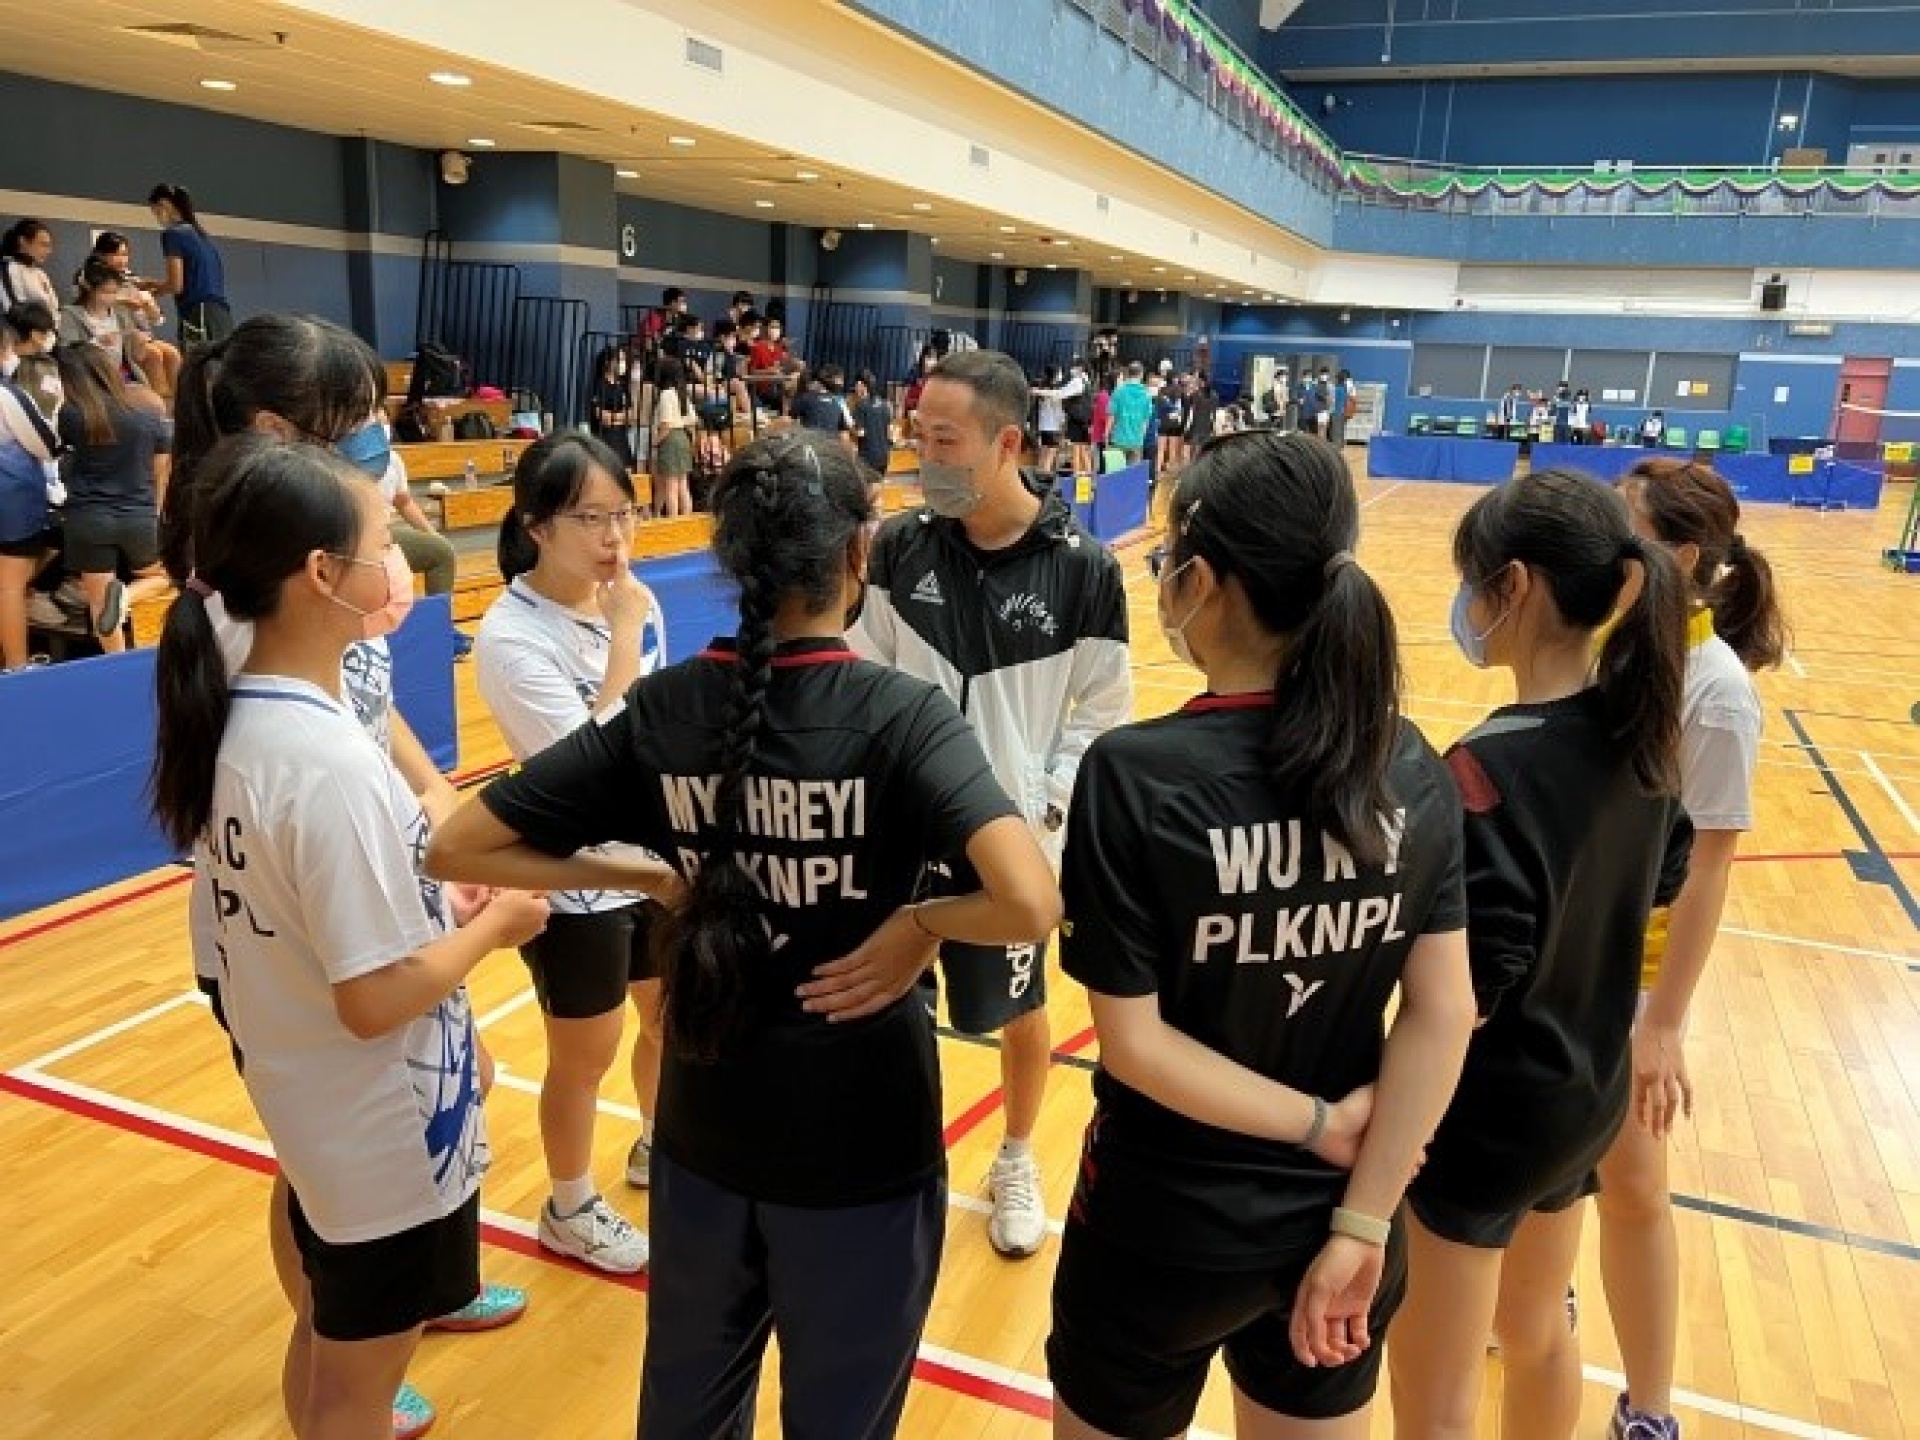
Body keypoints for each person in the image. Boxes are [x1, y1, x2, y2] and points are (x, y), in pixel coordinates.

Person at [427, 432, 1062, 1440]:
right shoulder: (902, 715)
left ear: (729, 558)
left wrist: (636, 874)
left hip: (706, 1131)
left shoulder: (664, 707)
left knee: (688, 1412)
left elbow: (457, 845)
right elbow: (1029, 901)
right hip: (863, 1142)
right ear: (858, 551)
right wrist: (920, 924)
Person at [1048, 430, 1477, 1440]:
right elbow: (1445, 1012)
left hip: (1162, 1229)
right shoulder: (1410, 763)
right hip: (1343, 1221)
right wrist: (1363, 1219)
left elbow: (1136, 1045)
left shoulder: (1136, 776)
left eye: (1169, 559)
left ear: (1203, 580)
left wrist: (1318, 1124)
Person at [163, 312, 531, 1439]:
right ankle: (342, 1332)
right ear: (281, 433)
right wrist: (478, 919)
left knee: (391, 1138)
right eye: (356, 421)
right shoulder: (255, 632)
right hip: (305, 951)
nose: (379, 441)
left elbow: (361, 711)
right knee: (324, 1182)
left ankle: (377, 1318)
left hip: (350, 895)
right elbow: (363, 982)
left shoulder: (310, 605)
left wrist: (429, 803)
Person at [1387, 467, 1695, 1440]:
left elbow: (1467, 994)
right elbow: (1667, 878)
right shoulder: (1641, 737)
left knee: (1433, 1396)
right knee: (1537, 1332)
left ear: (1512, 586)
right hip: (1584, 1100)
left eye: (1471, 580)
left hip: (1487, 1122)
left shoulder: (1484, 769)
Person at [852, 348, 1132, 1259]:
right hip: (898, 837)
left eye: (944, 440)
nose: (923, 456)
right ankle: (895, 1156)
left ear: (1007, 442)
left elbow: (1101, 715)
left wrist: (1041, 818)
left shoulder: (1084, 570)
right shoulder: (901, 546)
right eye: (918, 436)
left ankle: (1015, 1154)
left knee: (1017, 1010)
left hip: (1008, 847)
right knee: (886, 1001)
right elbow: (865, 670)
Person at [1599, 459, 1784, 1440]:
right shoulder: (1606, 640)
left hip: (1633, 976)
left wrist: (1663, 1023)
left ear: (1677, 555)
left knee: (1632, 1189)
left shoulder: (1715, 693)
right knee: (1545, 1172)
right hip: (1559, 951)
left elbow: (1710, 866)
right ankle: (1541, 1303)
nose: (1604, 539)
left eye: (1623, 524)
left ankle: (1650, 1407)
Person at [473, 433, 667, 1275]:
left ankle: (660, 1141)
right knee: (585, 1054)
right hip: (579, 876)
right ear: (537, 526)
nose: (614, 536)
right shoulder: (510, 637)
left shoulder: (630, 602)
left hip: (653, 858)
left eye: (623, 513)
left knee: (669, 1018)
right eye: (591, 518)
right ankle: (570, 1205)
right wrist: (623, 639)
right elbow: (583, 767)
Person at [53, 344, 173, 650]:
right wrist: (156, 511)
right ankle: (127, 596)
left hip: (87, 518)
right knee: (169, 577)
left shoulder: (72, 414)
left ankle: (114, 661)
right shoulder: (147, 413)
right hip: (138, 516)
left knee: (98, 602)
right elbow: (161, 471)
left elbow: (59, 456)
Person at [0, 311, 61, 671]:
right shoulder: (8, 395)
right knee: (10, 586)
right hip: (12, 504)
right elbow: (46, 444)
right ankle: (18, 668)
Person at [90, 230, 180, 399]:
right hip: (114, 335)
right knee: (153, 354)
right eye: (115, 254)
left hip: (140, 334)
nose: (122, 260)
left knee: (172, 353)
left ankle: (175, 401)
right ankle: (159, 402)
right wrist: (124, 301)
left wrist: (151, 309)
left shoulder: (130, 279)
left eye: (125, 254)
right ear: (101, 255)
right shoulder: (91, 277)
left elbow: (156, 319)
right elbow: (93, 302)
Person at [145, 184, 232, 353]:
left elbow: (176, 285)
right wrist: (153, 284)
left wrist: (149, 295)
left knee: (197, 365)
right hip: (220, 315)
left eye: (155, 211)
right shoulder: (202, 237)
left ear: (164, 204)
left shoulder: (173, 234)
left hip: (198, 314)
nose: (157, 217)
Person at [650, 356, 697, 518]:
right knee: (683, 485)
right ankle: (686, 520)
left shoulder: (666, 394)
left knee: (671, 487)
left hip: (670, 440)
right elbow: (692, 419)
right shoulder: (682, 393)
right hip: (683, 436)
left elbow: (665, 424)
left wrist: (655, 442)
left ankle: (673, 522)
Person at [590, 344, 636, 475]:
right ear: (608, 363)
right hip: (605, 437)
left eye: (624, 360)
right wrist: (620, 417)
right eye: (619, 360)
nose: (623, 363)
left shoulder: (623, 386)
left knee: (626, 473)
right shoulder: (600, 385)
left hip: (622, 437)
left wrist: (614, 417)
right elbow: (602, 416)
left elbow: (631, 415)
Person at [0, 220, 60, 315]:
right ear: (23, 242)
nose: (48, 251)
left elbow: (54, 308)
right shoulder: (9, 268)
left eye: (49, 246)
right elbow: (13, 308)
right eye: (43, 245)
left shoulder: (40, 274)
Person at [851, 369, 895, 479]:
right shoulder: (885, 404)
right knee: (878, 485)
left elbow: (860, 433)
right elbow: (890, 433)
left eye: (856, 385)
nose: (855, 388)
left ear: (862, 385)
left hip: (868, 458)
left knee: (866, 487)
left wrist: (850, 427)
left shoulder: (860, 405)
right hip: (884, 457)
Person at [1107, 362, 1152, 466]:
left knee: (1116, 472)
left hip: (1118, 439)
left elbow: (1111, 416)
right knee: (1133, 474)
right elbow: (1146, 420)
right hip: (1136, 440)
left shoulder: (1118, 391)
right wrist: (1141, 438)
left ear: (1128, 373)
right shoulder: (1146, 394)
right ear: (1141, 374)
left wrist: (1106, 434)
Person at [1329, 369, 1355, 446]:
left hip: (1336, 412)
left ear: (1338, 379)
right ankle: (1341, 446)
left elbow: (1331, 401)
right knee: (1341, 430)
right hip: (1343, 412)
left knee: (1335, 432)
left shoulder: (1335, 389)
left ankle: (1336, 447)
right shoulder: (1345, 389)